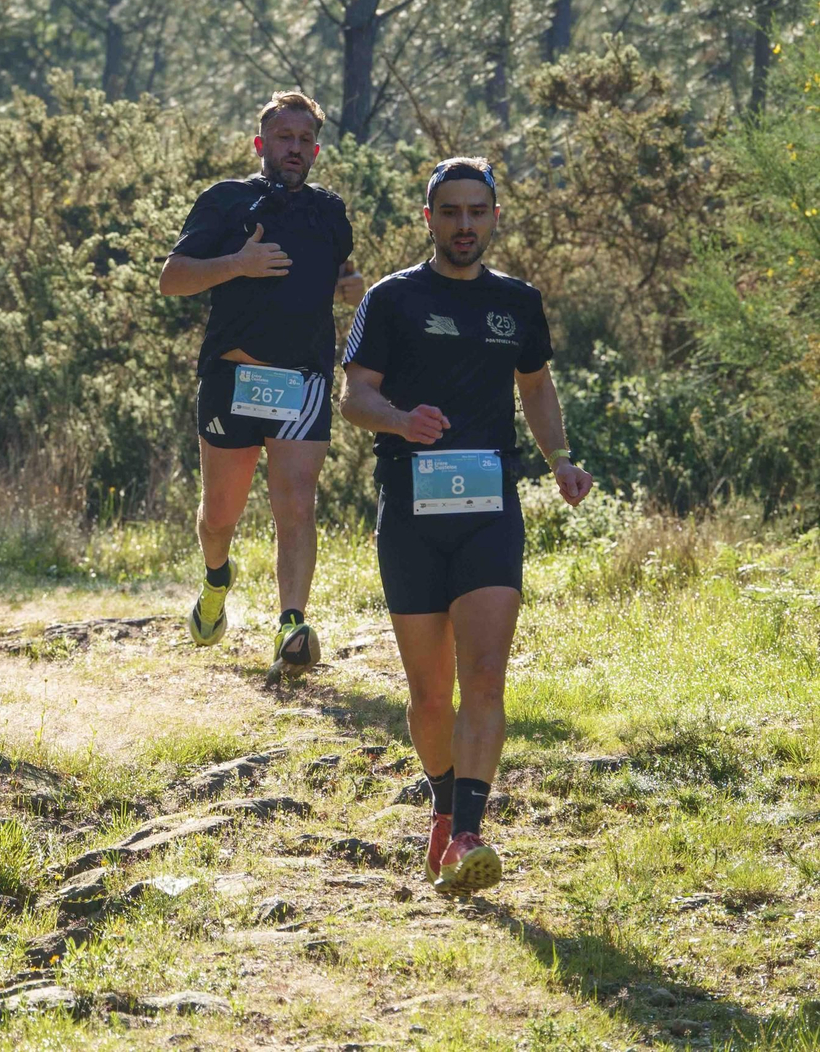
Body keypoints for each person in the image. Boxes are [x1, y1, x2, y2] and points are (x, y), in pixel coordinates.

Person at [339, 157, 593, 894]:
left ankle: (470, 834)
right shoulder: (391, 298)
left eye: (476, 212)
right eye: (450, 212)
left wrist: (560, 459)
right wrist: (400, 420)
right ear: (429, 218)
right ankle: (445, 805)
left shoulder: (518, 301)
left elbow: (536, 385)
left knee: (484, 676)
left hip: (490, 510)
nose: (464, 225)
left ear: (494, 218)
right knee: (428, 696)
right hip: (410, 513)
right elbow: (354, 396)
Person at [159, 91, 365, 684]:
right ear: (261, 144)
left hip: (303, 380)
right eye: (284, 138)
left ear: (316, 150)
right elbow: (172, 278)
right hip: (233, 377)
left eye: (305, 140)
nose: (294, 148)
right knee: (220, 515)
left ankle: (291, 625)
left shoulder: (330, 211)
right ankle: (216, 579)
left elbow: (340, 270)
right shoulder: (225, 200)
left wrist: (351, 286)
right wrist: (237, 264)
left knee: (296, 502)